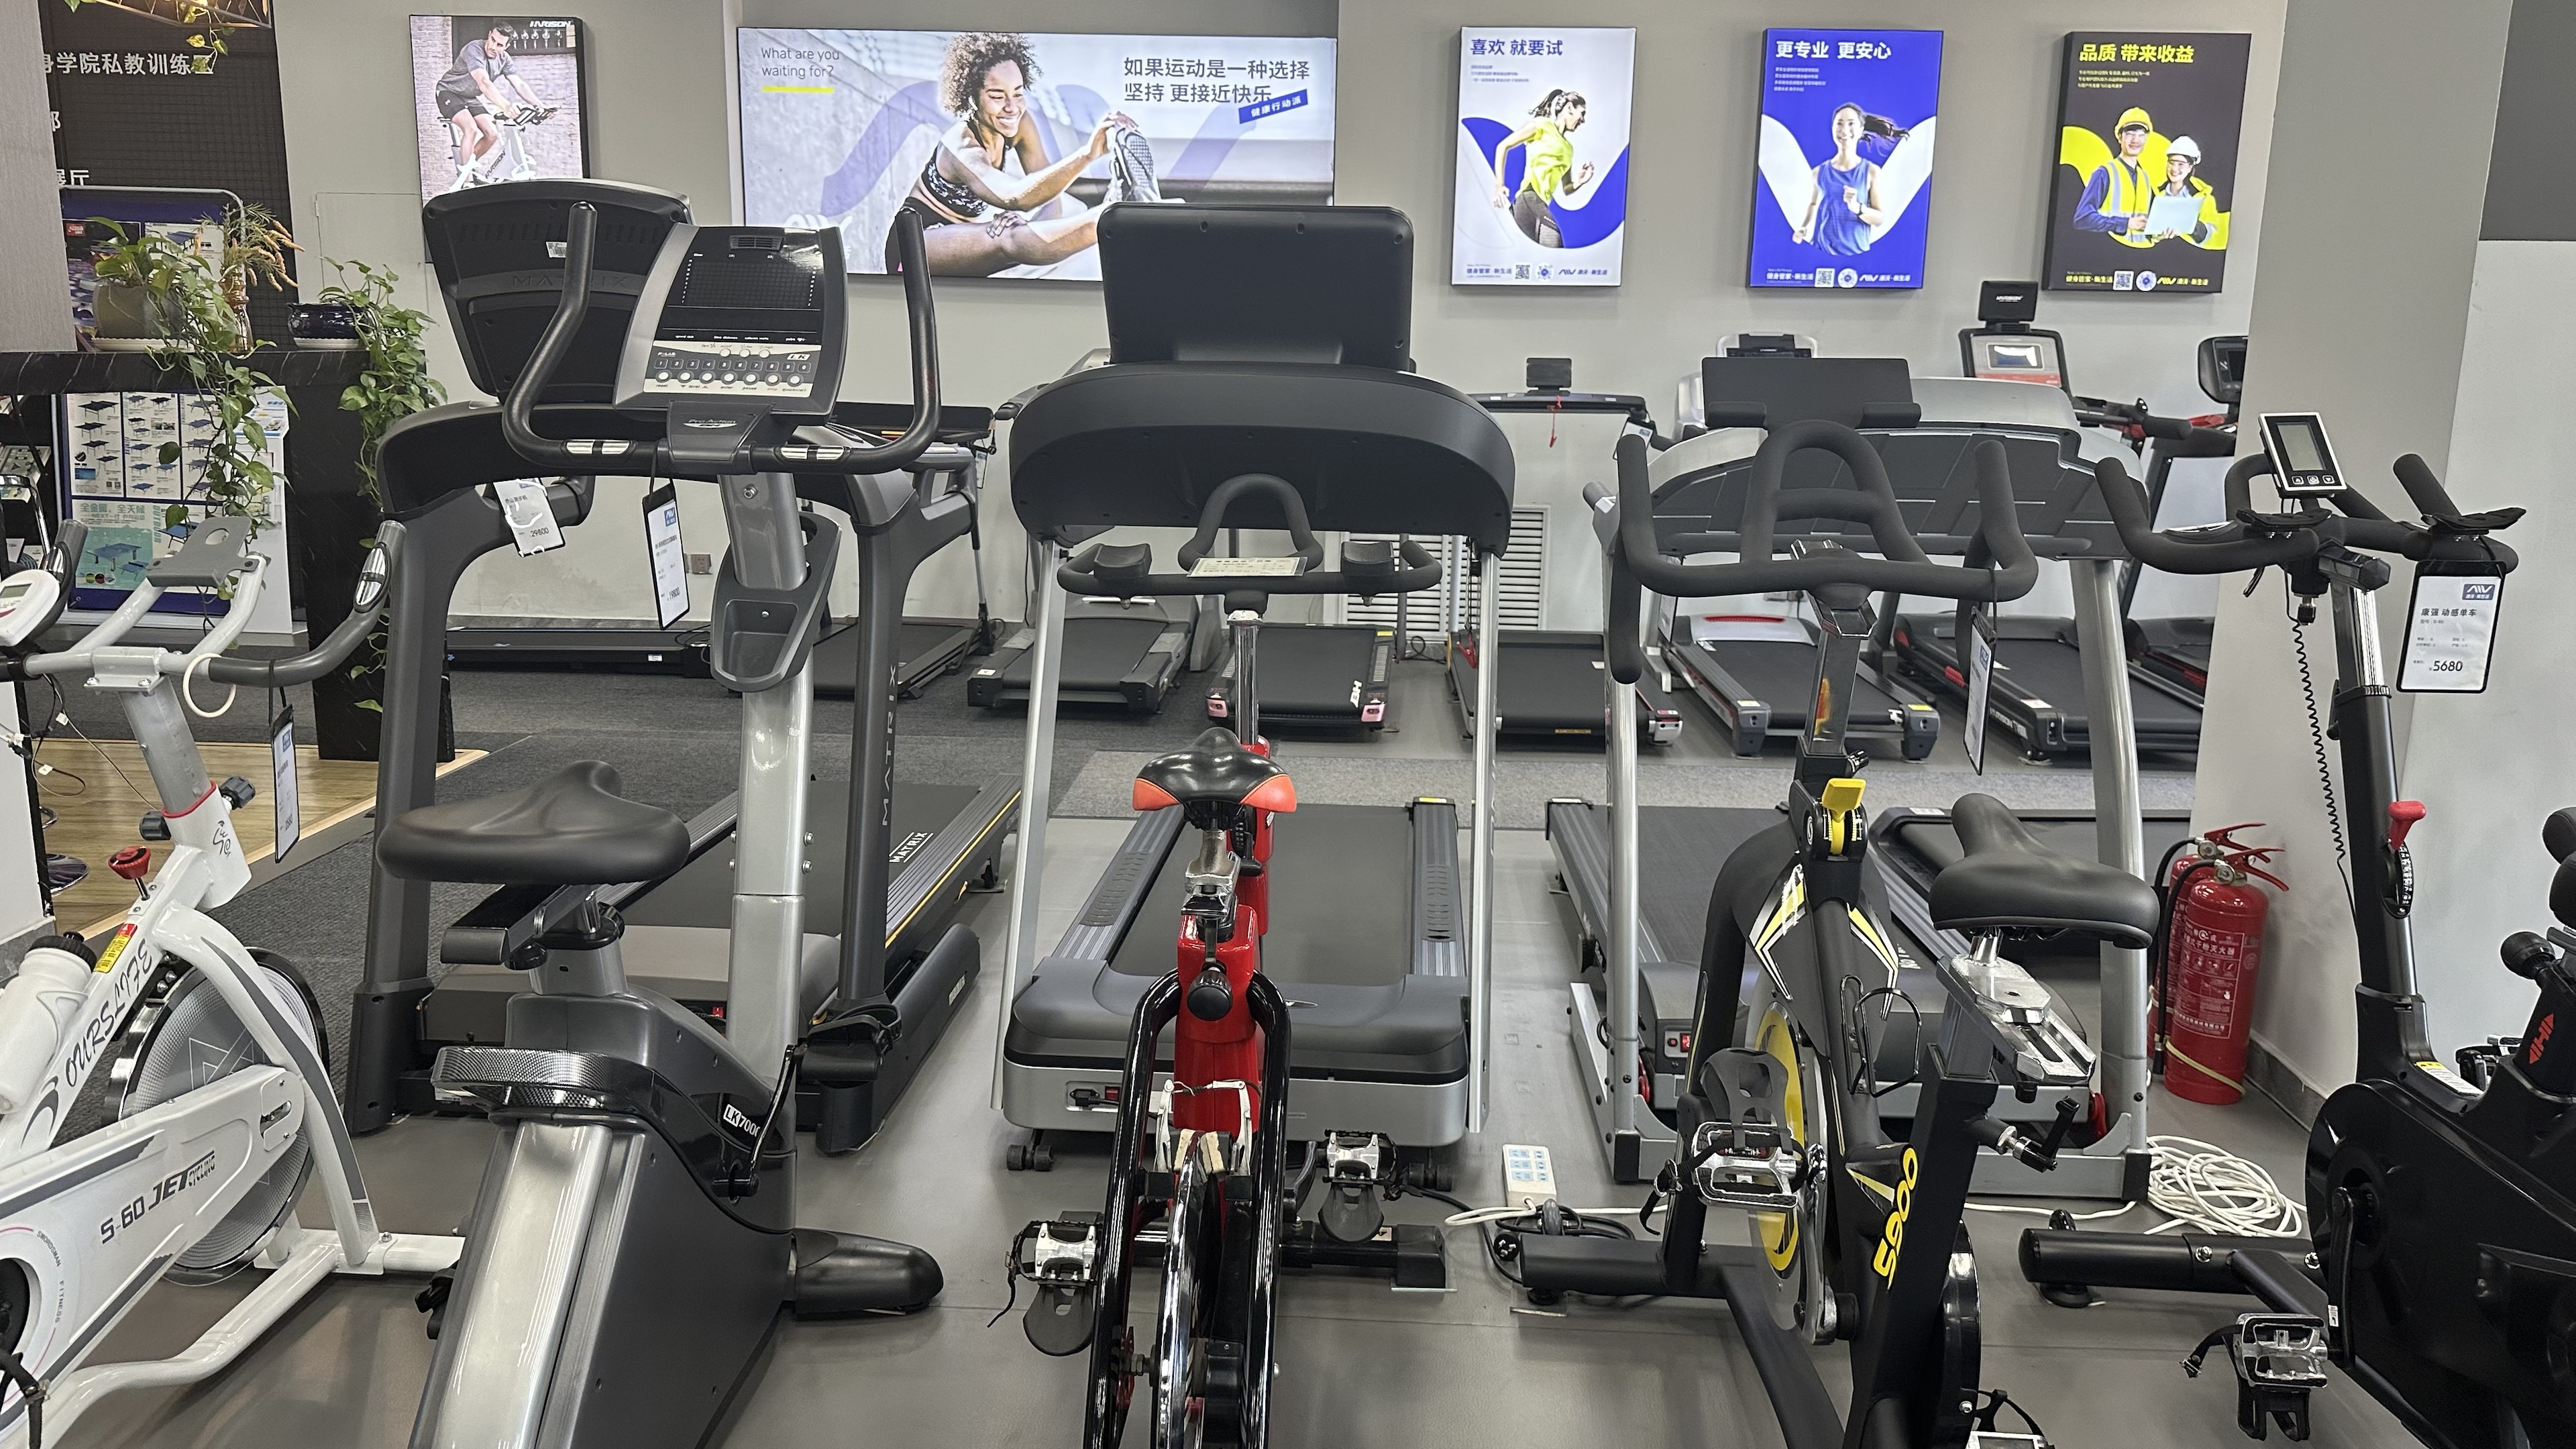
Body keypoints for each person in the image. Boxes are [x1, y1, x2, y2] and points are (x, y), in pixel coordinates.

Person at [886, 32, 1157, 278]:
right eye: (997, 96)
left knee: (1015, 234)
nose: (1011, 107)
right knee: (1008, 239)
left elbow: (1050, 198)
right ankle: (1116, 214)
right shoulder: (961, 144)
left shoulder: (1020, 124)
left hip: (957, 238)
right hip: (912, 247)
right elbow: (1013, 196)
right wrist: (1087, 155)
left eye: (1018, 94)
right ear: (971, 98)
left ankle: (1120, 213)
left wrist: (1028, 227)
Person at [433, 22, 552, 193]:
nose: (494, 47)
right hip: (448, 92)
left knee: (492, 134)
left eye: (500, 45)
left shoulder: (504, 59)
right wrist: (505, 106)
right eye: (493, 40)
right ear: (489, 35)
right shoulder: (474, 49)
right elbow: (483, 82)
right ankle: (467, 182)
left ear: (507, 46)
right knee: (471, 129)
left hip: (469, 97)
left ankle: (467, 168)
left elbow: (519, 84)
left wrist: (540, 106)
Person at [1790, 102, 1904, 254]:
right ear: (1832, 128)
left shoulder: (1871, 171)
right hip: (1821, 250)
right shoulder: (1818, 172)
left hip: (1857, 254)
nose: (1844, 130)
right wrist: (1803, 227)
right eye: (1839, 123)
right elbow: (1813, 204)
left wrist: (1857, 208)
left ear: (1861, 130)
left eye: (1851, 124)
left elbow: (1879, 219)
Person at [1489, 89, 1595, 248]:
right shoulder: (1542, 125)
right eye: (1582, 113)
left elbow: (1567, 188)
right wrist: (1499, 185)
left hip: (1540, 205)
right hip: (1528, 197)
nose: (1583, 120)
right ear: (1569, 108)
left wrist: (1580, 181)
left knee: (1537, 256)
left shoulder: (1568, 149)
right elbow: (1503, 146)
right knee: (1554, 241)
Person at [2073, 106, 2157, 244]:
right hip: (2109, 251)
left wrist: (2156, 235)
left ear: (2147, 138)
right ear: (2119, 137)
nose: (2135, 140)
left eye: (2141, 134)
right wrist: (2125, 223)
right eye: (2130, 133)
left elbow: (2143, 225)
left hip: (2140, 254)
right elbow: (2082, 219)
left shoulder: (2146, 179)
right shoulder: (2104, 173)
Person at [2150, 135, 2221, 246]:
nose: (2174, 169)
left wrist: (2186, 224)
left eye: (2181, 164)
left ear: (2190, 168)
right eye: (2171, 163)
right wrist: (2156, 237)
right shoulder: (2155, 195)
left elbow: (2211, 236)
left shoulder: (2205, 199)